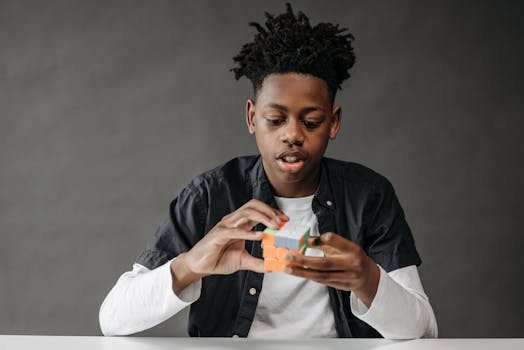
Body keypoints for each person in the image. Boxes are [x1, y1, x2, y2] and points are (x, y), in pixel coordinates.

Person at [99, 3, 438, 339]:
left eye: (311, 121)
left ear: (333, 122)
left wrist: (367, 277)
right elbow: (113, 318)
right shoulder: (210, 195)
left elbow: (422, 330)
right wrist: (190, 266)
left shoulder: (368, 196)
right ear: (251, 118)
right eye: (275, 120)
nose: (292, 134)